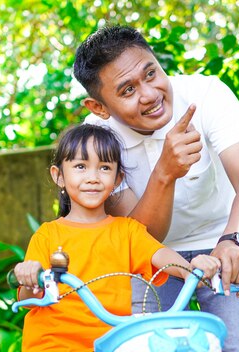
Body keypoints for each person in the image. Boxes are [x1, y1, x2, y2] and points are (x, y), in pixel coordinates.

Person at [73, 25, 239, 351]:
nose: (149, 94)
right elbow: (137, 235)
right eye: (127, 90)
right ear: (99, 107)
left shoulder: (207, 94)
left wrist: (237, 241)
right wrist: (164, 173)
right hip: (148, 259)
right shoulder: (96, 136)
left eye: (151, 73)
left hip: (224, 242)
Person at [13, 124, 220, 351]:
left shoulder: (128, 232)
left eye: (104, 168)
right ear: (59, 176)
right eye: (81, 166)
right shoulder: (48, 234)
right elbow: (27, 296)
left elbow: (166, 258)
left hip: (110, 343)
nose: (93, 177)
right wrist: (30, 276)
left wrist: (194, 268)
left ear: (118, 177)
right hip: (53, 343)